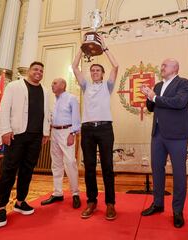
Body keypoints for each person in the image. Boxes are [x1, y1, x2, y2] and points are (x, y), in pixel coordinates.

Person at [0, 61, 50, 228]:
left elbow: (46, 113)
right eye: (35, 69)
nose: (38, 72)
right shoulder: (14, 86)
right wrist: (5, 130)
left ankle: (20, 201)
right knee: (9, 170)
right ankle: (1, 207)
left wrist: (45, 132)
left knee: (27, 170)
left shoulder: (45, 91)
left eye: (41, 70)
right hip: (16, 135)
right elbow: (4, 108)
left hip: (36, 137)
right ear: (29, 71)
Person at [140, 58, 188, 228]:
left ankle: (177, 210)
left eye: (165, 65)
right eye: (161, 64)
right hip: (158, 134)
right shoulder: (157, 85)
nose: (161, 67)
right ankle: (158, 203)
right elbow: (151, 108)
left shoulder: (183, 83)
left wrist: (154, 97)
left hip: (177, 135)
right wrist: (149, 96)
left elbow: (180, 103)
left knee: (179, 172)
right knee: (157, 169)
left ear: (175, 68)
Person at [72, 36, 119, 220]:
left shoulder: (108, 86)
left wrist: (105, 47)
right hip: (88, 130)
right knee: (89, 167)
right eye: (93, 70)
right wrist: (82, 49)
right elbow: (75, 67)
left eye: (98, 70)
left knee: (108, 167)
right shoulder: (86, 86)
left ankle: (110, 204)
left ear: (102, 73)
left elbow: (115, 66)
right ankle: (91, 201)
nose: (95, 72)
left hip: (105, 129)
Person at [40, 78, 81, 208]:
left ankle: (75, 193)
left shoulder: (71, 98)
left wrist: (73, 133)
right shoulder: (53, 101)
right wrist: (47, 133)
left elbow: (76, 117)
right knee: (56, 163)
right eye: (52, 83)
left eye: (55, 83)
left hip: (67, 131)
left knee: (70, 162)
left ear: (63, 85)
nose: (52, 84)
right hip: (55, 133)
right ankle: (58, 193)